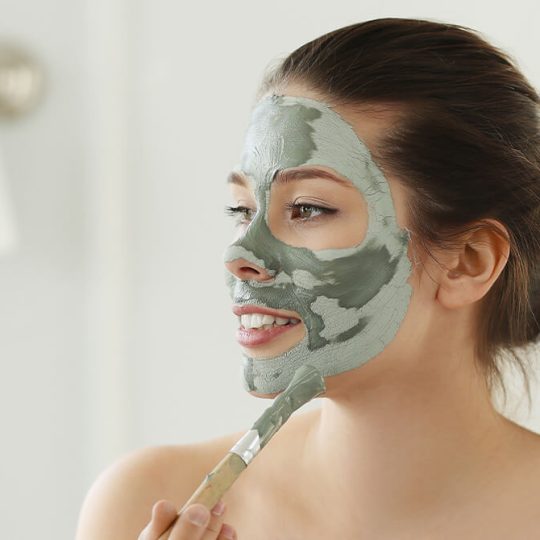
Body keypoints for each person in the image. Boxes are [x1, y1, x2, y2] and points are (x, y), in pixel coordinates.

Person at [75, 17, 540, 539]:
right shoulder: (145, 500)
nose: (239, 254)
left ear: (469, 261)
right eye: (242, 210)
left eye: (308, 208)